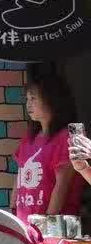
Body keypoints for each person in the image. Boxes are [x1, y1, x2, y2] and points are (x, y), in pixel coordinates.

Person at [16, 70, 84, 221]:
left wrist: (47, 223)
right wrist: (13, 211)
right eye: (27, 99)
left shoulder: (70, 135)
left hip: (52, 228)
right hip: (24, 225)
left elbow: (62, 185)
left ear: (52, 99)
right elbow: (19, 176)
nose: (28, 104)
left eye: (33, 98)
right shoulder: (29, 137)